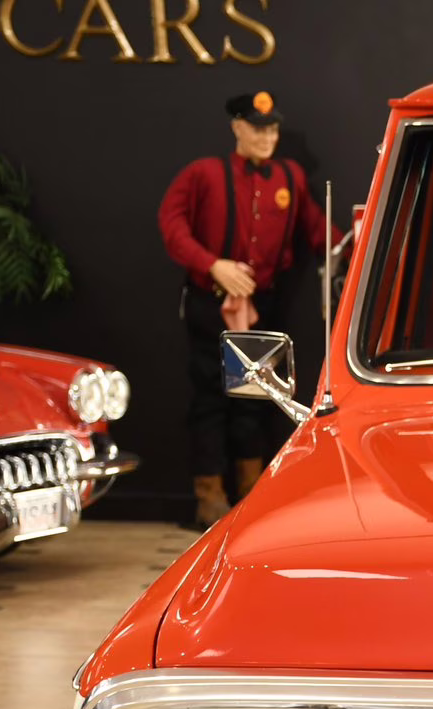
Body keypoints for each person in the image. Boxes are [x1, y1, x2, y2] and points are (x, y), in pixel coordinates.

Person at [158, 91, 339, 530]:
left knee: (259, 400)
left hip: (265, 306)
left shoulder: (289, 177)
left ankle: (251, 494)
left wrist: (354, 247)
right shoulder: (204, 173)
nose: (266, 137)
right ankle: (210, 498)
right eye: (258, 128)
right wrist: (212, 264)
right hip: (212, 305)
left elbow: (318, 229)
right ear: (237, 127)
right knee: (209, 400)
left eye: (272, 128)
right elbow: (171, 223)